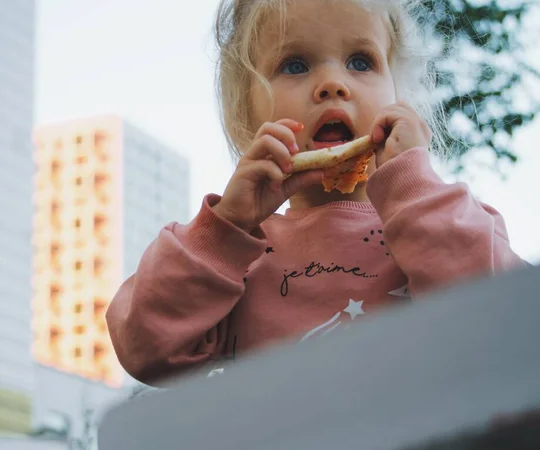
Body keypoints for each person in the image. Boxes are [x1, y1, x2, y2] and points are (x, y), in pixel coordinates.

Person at [106, 0, 524, 385]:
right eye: (295, 65)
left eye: (361, 61)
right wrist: (223, 230)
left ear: (400, 98)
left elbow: (504, 322)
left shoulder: (442, 216)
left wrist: (412, 187)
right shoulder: (237, 260)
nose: (332, 84)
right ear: (247, 116)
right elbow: (143, 346)